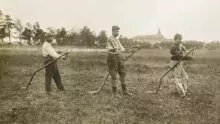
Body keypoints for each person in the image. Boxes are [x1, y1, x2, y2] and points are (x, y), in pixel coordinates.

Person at [106, 25, 134, 98]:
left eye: (118, 31)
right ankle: (114, 93)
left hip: (119, 57)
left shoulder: (117, 39)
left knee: (122, 73)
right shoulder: (110, 39)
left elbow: (122, 49)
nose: (117, 32)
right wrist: (115, 50)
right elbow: (112, 49)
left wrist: (130, 50)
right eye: (116, 31)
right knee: (114, 76)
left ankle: (125, 91)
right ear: (112, 31)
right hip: (112, 58)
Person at [170, 33, 192, 98]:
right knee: (178, 78)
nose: (181, 40)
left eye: (181, 39)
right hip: (175, 63)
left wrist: (187, 51)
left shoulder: (180, 44)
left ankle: (185, 91)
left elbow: (184, 49)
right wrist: (187, 58)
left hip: (179, 63)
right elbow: (178, 56)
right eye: (180, 39)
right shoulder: (173, 47)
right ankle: (182, 94)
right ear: (176, 39)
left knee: (185, 77)